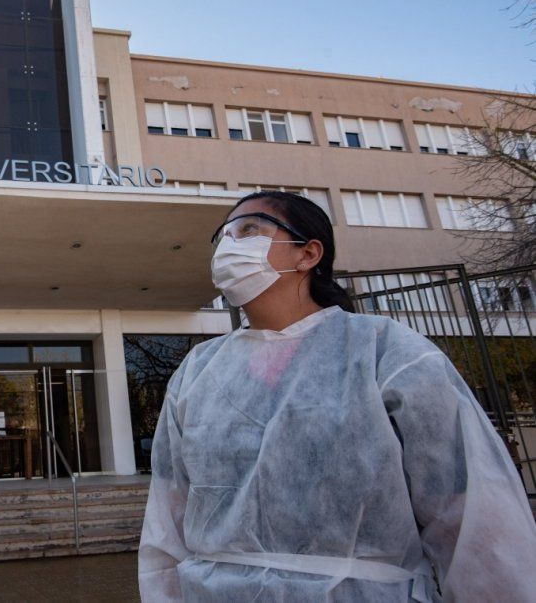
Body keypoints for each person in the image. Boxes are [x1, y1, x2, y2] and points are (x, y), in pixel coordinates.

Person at [138, 190, 536, 601]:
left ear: (308, 255)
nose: (228, 247)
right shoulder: (198, 370)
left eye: (249, 229)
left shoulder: (388, 352)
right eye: (224, 237)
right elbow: (167, 523)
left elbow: (471, 519)